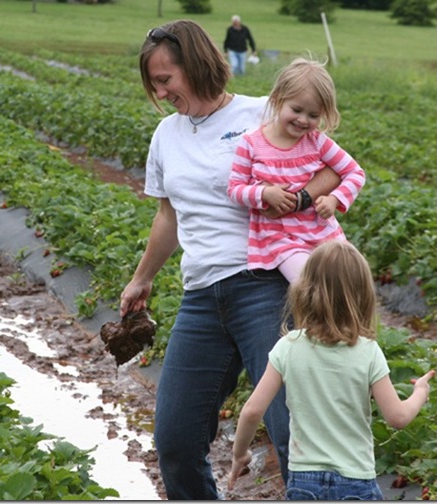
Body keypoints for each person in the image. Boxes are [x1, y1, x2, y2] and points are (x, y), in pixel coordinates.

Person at [119, 19, 341, 500]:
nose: (161, 92)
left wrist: (298, 199)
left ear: (196, 66)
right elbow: (168, 215)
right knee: (175, 440)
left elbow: (331, 168)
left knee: (290, 431)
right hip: (201, 299)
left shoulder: (262, 113)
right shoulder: (166, 135)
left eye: (165, 79)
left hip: (267, 287)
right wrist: (142, 278)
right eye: (154, 83)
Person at [228, 240, 435, 500]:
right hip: (356, 480)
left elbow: (252, 411)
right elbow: (398, 418)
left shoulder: (287, 347)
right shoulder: (367, 351)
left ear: (304, 290)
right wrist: (420, 392)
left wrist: (239, 454)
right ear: (363, 296)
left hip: (304, 481)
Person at [228, 57, 366, 284]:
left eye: (313, 116)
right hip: (281, 238)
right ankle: (311, 320)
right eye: (297, 110)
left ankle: (340, 321)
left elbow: (355, 172)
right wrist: (264, 194)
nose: (303, 120)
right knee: (308, 284)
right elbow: (235, 190)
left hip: (323, 232)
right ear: (277, 99)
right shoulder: (251, 144)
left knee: (351, 280)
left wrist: (334, 199)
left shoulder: (317, 142)